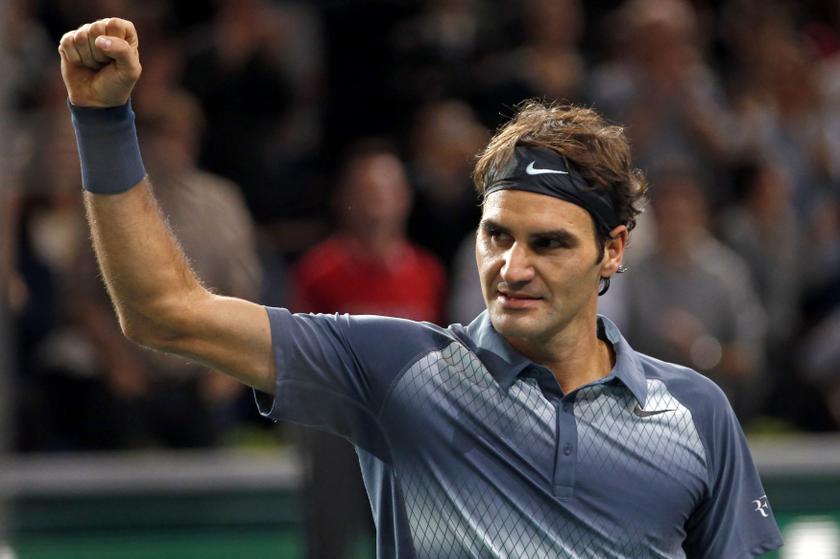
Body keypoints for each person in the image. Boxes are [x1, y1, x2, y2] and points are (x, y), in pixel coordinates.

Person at [58, 18, 783, 557]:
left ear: (612, 250)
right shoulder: (397, 369)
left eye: (550, 243)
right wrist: (102, 120)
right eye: (497, 235)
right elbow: (165, 312)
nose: (513, 267)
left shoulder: (696, 413)